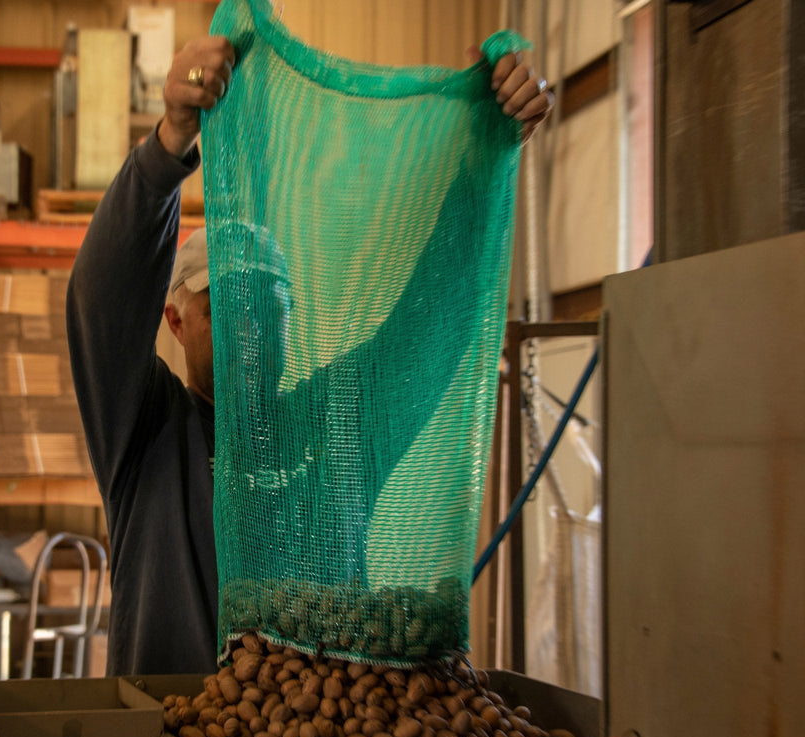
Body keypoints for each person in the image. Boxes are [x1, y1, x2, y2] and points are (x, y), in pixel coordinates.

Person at [66, 35, 553, 676]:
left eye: (269, 311)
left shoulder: (338, 424)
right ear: (175, 321)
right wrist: (170, 142)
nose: (251, 334)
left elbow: (425, 326)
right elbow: (104, 299)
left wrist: (489, 149)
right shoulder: (145, 428)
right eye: (225, 311)